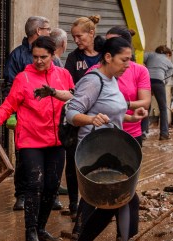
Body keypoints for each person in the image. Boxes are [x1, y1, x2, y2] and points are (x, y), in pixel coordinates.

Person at [64, 37, 159, 241]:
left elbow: (111, 113)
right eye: (124, 59)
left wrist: (131, 116)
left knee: (111, 206)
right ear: (108, 57)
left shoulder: (112, 80)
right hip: (94, 155)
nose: (128, 65)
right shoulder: (93, 80)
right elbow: (71, 112)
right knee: (126, 200)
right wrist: (90, 120)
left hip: (111, 150)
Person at [0, 36, 73, 241]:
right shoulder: (23, 78)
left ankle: (42, 228)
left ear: (53, 55)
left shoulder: (63, 75)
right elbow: (9, 103)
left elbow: (75, 98)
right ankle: (31, 233)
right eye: (35, 57)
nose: (39, 61)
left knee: (52, 186)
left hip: (57, 139)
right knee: (34, 185)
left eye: (43, 57)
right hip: (30, 139)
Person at [4, 16, 53, 212]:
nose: (39, 61)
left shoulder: (53, 57)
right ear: (39, 31)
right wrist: (11, 113)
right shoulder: (17, 55)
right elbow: (9, 86)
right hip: (25, 118)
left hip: (46, 120)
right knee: (23, 158)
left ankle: (48, 195)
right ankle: (21, 195)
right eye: (47, 29)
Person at [62, 15, 103, 217]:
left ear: (91, 33)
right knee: (73, 160)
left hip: (101, 116)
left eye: (80, 36)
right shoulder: (73, 58)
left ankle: (96, 201)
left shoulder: (105, 53)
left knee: (98, 160)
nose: (76, 41)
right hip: (78, 116)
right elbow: (69, 86)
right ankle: (73, 203)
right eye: (73, 37)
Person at [144, 45, 173, 140]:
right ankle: (164, 134)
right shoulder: (169, 62)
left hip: (146, 81)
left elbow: (139, 58)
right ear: (167, 54)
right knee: (163, 108)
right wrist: (160, 84)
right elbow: (167, 78)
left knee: (145, 107)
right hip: (158, 82)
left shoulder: (149, 55)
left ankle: (142, 132)